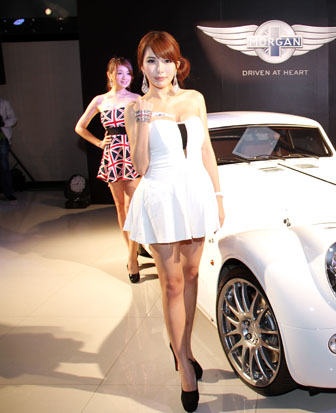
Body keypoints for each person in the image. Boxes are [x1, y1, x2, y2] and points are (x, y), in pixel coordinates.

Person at [123, 31, 225, 412]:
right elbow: (140, 166)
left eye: (166, 60)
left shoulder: (194, 99)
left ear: (177, 63)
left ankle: (185, 345)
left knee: (193, 274)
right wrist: (144, 122)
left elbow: (207, 150)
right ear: (142, 67)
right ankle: (184, 365)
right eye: (151, 61)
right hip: (161, 197)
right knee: (172, 283)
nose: (159, 68)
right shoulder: (136, 108)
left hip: (195, 193)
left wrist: (218, 197)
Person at [75, 57, 143, 283]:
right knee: (120, 206)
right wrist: (98, 142)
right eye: (120, 73)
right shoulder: (100, 100)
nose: (124, 77)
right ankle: (131, 251)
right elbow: (80, 127)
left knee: (134, 207)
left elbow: (147, 127)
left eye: (128, 73)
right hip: (112, 154)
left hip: (132, 153)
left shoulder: (137, 99)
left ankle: (132, 258)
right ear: (110, 74)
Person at [0, 98, 18, 201]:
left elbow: (13, 119)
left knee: (4, 166)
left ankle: (8, 192)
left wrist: (3, 123)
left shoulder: (4, 103)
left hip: (2, 140)